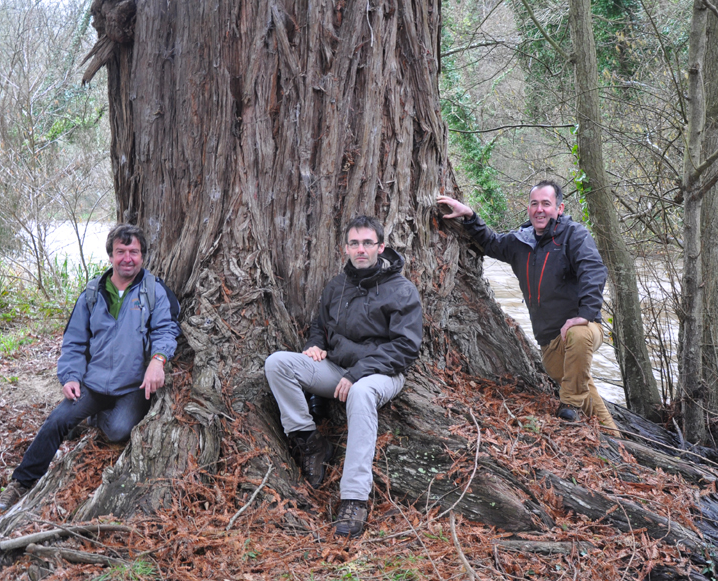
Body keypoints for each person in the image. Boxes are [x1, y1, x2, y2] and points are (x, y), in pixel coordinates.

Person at [0, 224, 181, 512]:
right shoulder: (92, 293)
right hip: (93, 385)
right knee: (57, 422)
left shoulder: (154, 291)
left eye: (134, 252)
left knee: (118, 430)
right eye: (121, 252)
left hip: (132, 387)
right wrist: (70, 376)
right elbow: (74, 341)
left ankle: (93, 419)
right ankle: (20, 483)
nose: (127, 258)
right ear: (111, 256)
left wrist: (158, 360)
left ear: (143, 256)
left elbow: (166, 330)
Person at [264, 215, 423, 538]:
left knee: (361, 394)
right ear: (345, 248)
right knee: (278, 363)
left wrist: (358, 373)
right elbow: (320, 325)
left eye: (367, 243)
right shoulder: (338, 285)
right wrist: (314, 345)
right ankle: (310, 443)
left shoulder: (402, 290)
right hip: (336, 369)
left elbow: (406, 347)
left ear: (380, 246)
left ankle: (354, 499)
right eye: (354, 243)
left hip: (380, 374)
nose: (360, 249)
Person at [437, 182, 619, 436]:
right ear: (528, 208)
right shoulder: (520, 241)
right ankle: (614, 436)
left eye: (546, 203)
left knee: (578, 342)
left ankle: (568, 406)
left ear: (559, 207)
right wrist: (469, 216)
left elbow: (594, 271)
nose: (540, 210)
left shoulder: (574, 235)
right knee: (577, 379)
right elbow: (490, 243)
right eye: (534, 204)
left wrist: (584, 315)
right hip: (549, 339)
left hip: (583, 327)